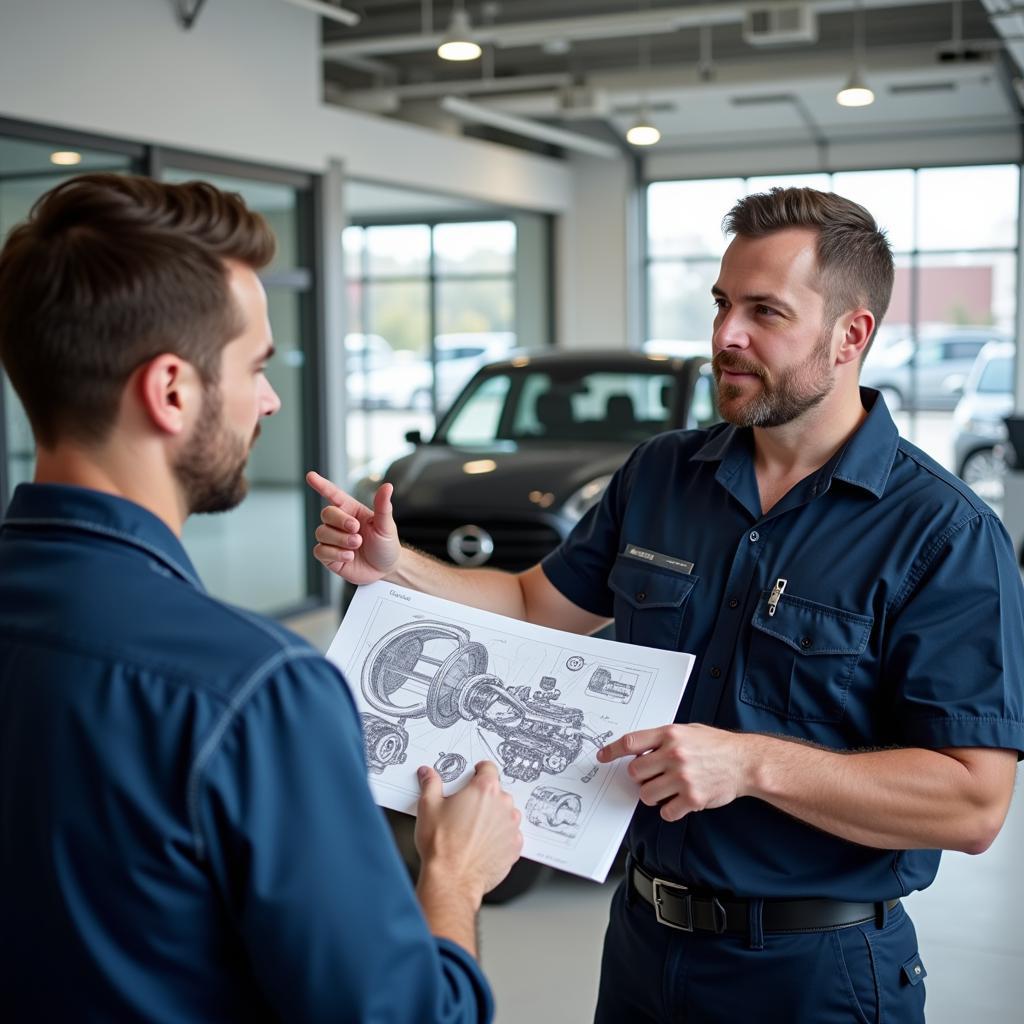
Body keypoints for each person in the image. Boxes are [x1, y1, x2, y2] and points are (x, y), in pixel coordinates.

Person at [308, 187, 1024, 1023]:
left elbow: (973, 803)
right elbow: (536, 604)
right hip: (645, 945)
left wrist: (750, 763)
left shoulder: (942, 532)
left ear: (851, 335)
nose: (725, 336)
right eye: (722, 304)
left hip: (814, 973)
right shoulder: (660, 474)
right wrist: (398, 568)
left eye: (765, 311)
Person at [0, 173, 522, 1023]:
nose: (270, 400)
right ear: (171, 391)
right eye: (255, 367)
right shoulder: (256, 692)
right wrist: (454, 876)